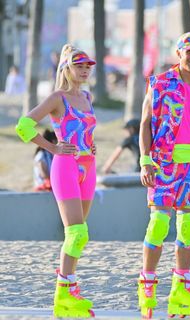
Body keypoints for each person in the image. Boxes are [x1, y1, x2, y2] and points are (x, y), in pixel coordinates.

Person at [138, 32, 190, 319]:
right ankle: (147, 284)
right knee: (159, 223)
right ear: (178, 53)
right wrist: (145, 161)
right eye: (189, 52)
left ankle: (180, 289)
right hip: (163, 165)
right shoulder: (160, 83)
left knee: (189, 227)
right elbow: (145, 123)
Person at [16, 45, 97, 318]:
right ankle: (63, 294)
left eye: (88, 65)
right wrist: (52, 148)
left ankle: (69, 291)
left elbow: (85, 130)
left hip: (89, 167)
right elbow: (23, 126)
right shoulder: (57, 98)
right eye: (80, 65)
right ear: (67, 68)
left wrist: (91, 147)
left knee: (78, 236)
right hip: (65, 167)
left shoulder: (87, 96)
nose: (85, 69)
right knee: (76, 233)